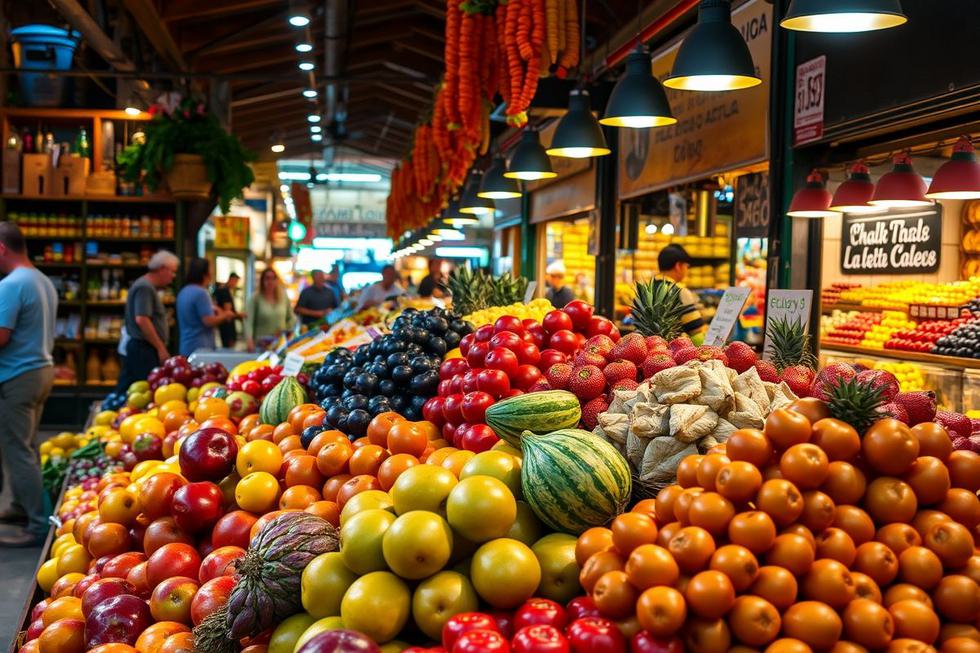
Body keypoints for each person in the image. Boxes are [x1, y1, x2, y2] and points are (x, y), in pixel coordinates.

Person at [0, 223, 58, 546]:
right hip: (41, 370)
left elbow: (2, 335)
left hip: (17, 375)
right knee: (27, 445)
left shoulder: (11, 285)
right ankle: (21, 506)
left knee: (18, 450)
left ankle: (37, 526)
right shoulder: (42, 280)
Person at [116, 250, 178, 391]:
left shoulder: (146, 286)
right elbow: (142, 319)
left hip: (143, 347)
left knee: (131, 387)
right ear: (162, 269)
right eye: (172, 272)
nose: (173, 277)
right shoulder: (144, 287)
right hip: (143, 349)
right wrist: (160, 347)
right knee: (143, 389)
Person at [176, 258, 234, 357]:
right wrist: (226, 315)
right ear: (204, 274)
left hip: (186, 346)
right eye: (210, 271)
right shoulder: (201, 293)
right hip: (200, 348)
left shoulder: (184, 291)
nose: (211, 275)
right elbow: (208, 321)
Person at [656, 244, 708, 341]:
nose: (687, 270)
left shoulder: (644, 290)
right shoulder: (679, 291)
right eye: (687, 266)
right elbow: (696, 331)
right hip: (672, 350)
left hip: (645, 347)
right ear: (678, 266)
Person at [245, 267, 296, 352]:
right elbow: (248, 321)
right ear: (262, 281)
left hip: (280, 344)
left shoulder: (283, 297)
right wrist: (249, 340)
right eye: (267, 278)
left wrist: (285, 331)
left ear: (277, 280)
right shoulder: (255, 298)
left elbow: (291, 318)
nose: (270, 281)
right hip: (261, 344)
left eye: (273, 278)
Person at [213, 272, 244, 349]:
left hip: (224, 324)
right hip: (227, 325)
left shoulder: (224, 290)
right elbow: (228, 312)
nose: (236, 284)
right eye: (235, 281)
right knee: (229, 347)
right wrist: (239, 315)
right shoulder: (224, 291)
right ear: (231, 279)